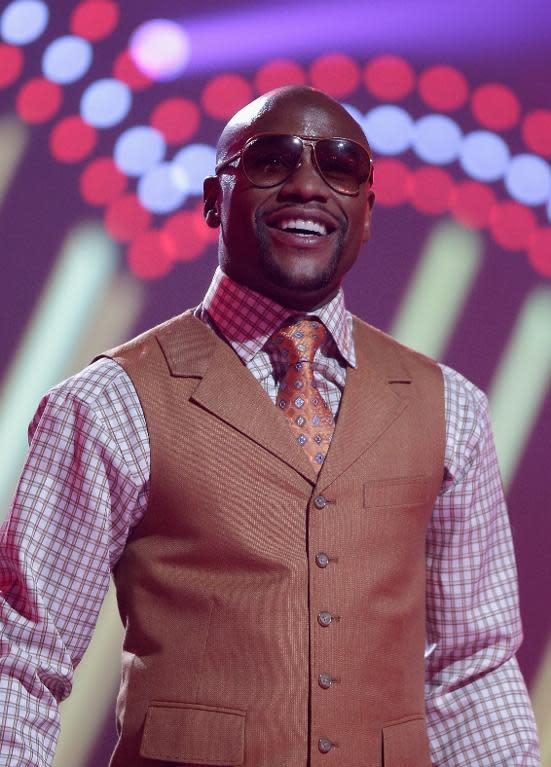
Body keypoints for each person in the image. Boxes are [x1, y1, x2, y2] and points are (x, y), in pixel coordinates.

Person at [0, 85, 541, 767]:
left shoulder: (451, 408)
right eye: (271, 161)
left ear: (366, 213)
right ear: (211, 198)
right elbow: (20, 663)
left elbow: (473, 668)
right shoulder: (108, 402)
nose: (307, 185)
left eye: (339, 168)